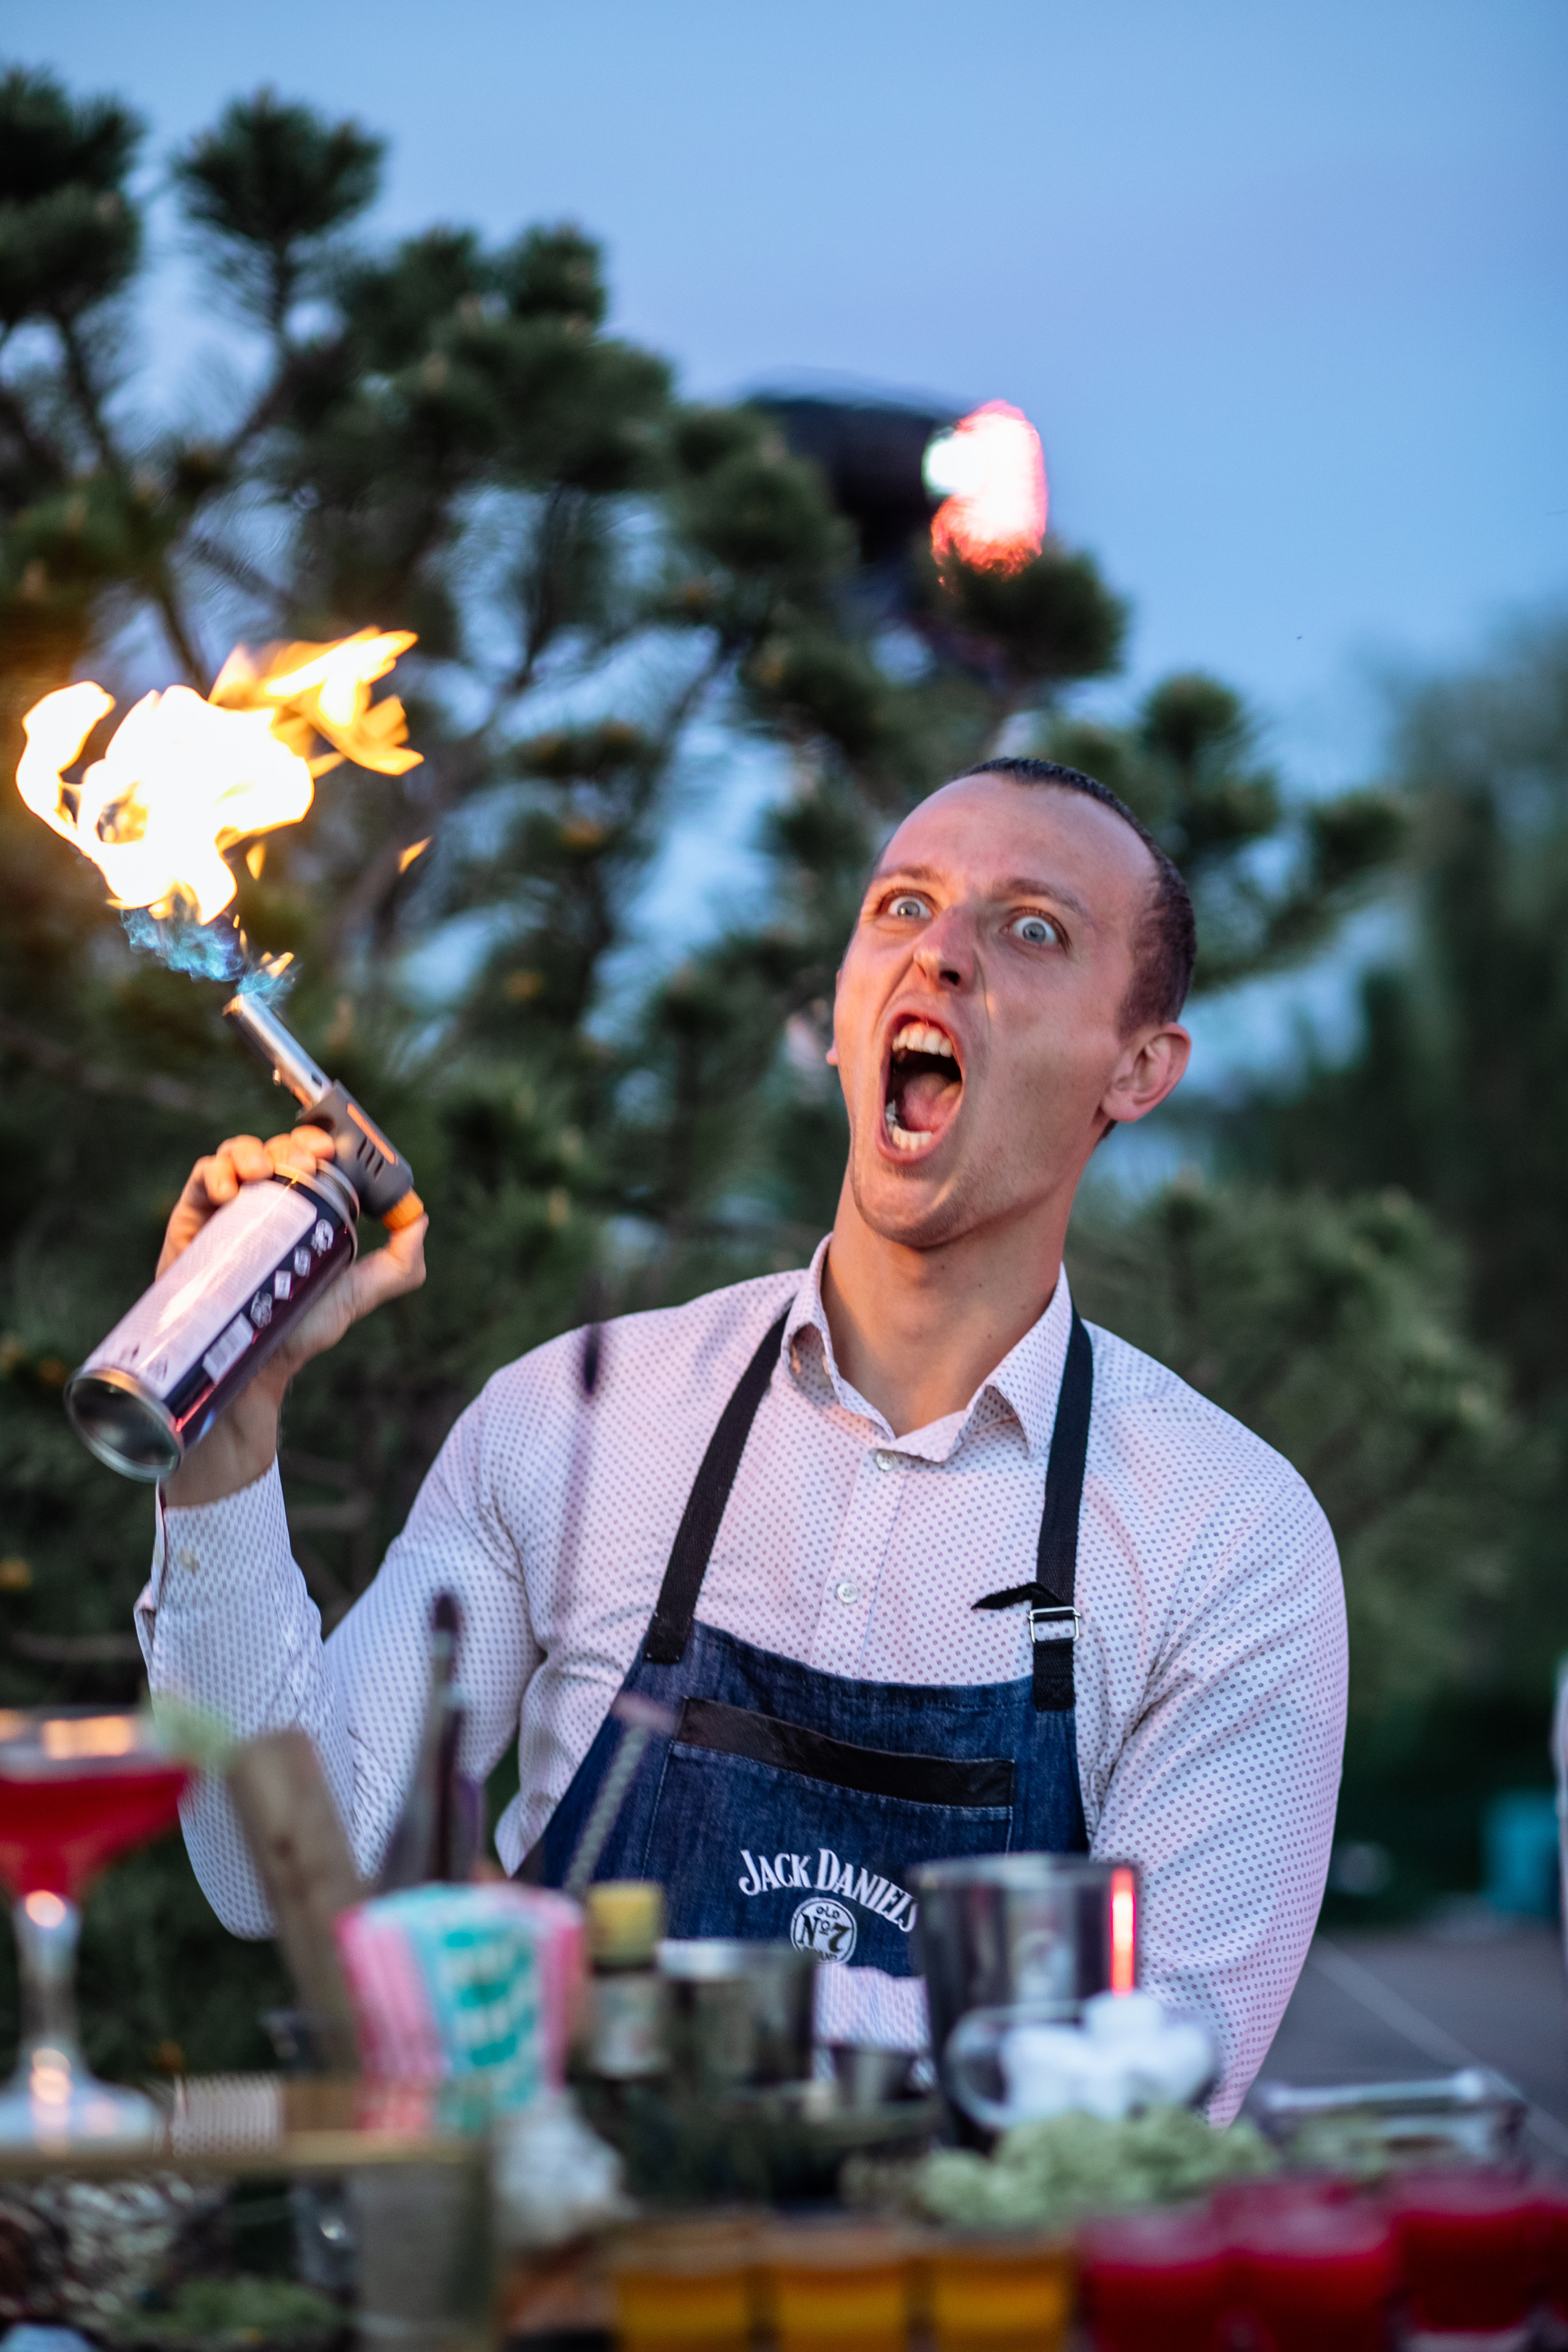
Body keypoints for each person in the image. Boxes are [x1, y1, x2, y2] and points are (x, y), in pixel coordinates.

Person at [136, 757, 1345, 2121]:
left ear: (1136, 1069)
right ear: (837, 1019)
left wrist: (610, 1992)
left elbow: (1165, 2063)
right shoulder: (578, 1415)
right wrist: (223, 1453)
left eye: (1028, 930)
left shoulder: (1226, 1534)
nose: (939, 954)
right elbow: (269, 1870)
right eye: (901, 908)